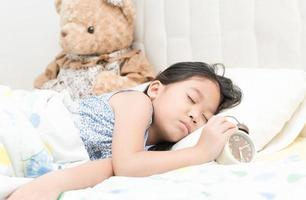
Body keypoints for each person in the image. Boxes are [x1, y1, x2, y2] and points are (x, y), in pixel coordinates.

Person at [8, 61, 242, 200]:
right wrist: (200, 152)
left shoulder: (151, 153)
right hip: (23, 120)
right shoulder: (137, 104)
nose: (194, 115)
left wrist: (47, 186)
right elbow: (127, 165)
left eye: (204, 118)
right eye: (191, 98)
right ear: (155, 90)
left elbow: (110, 167)